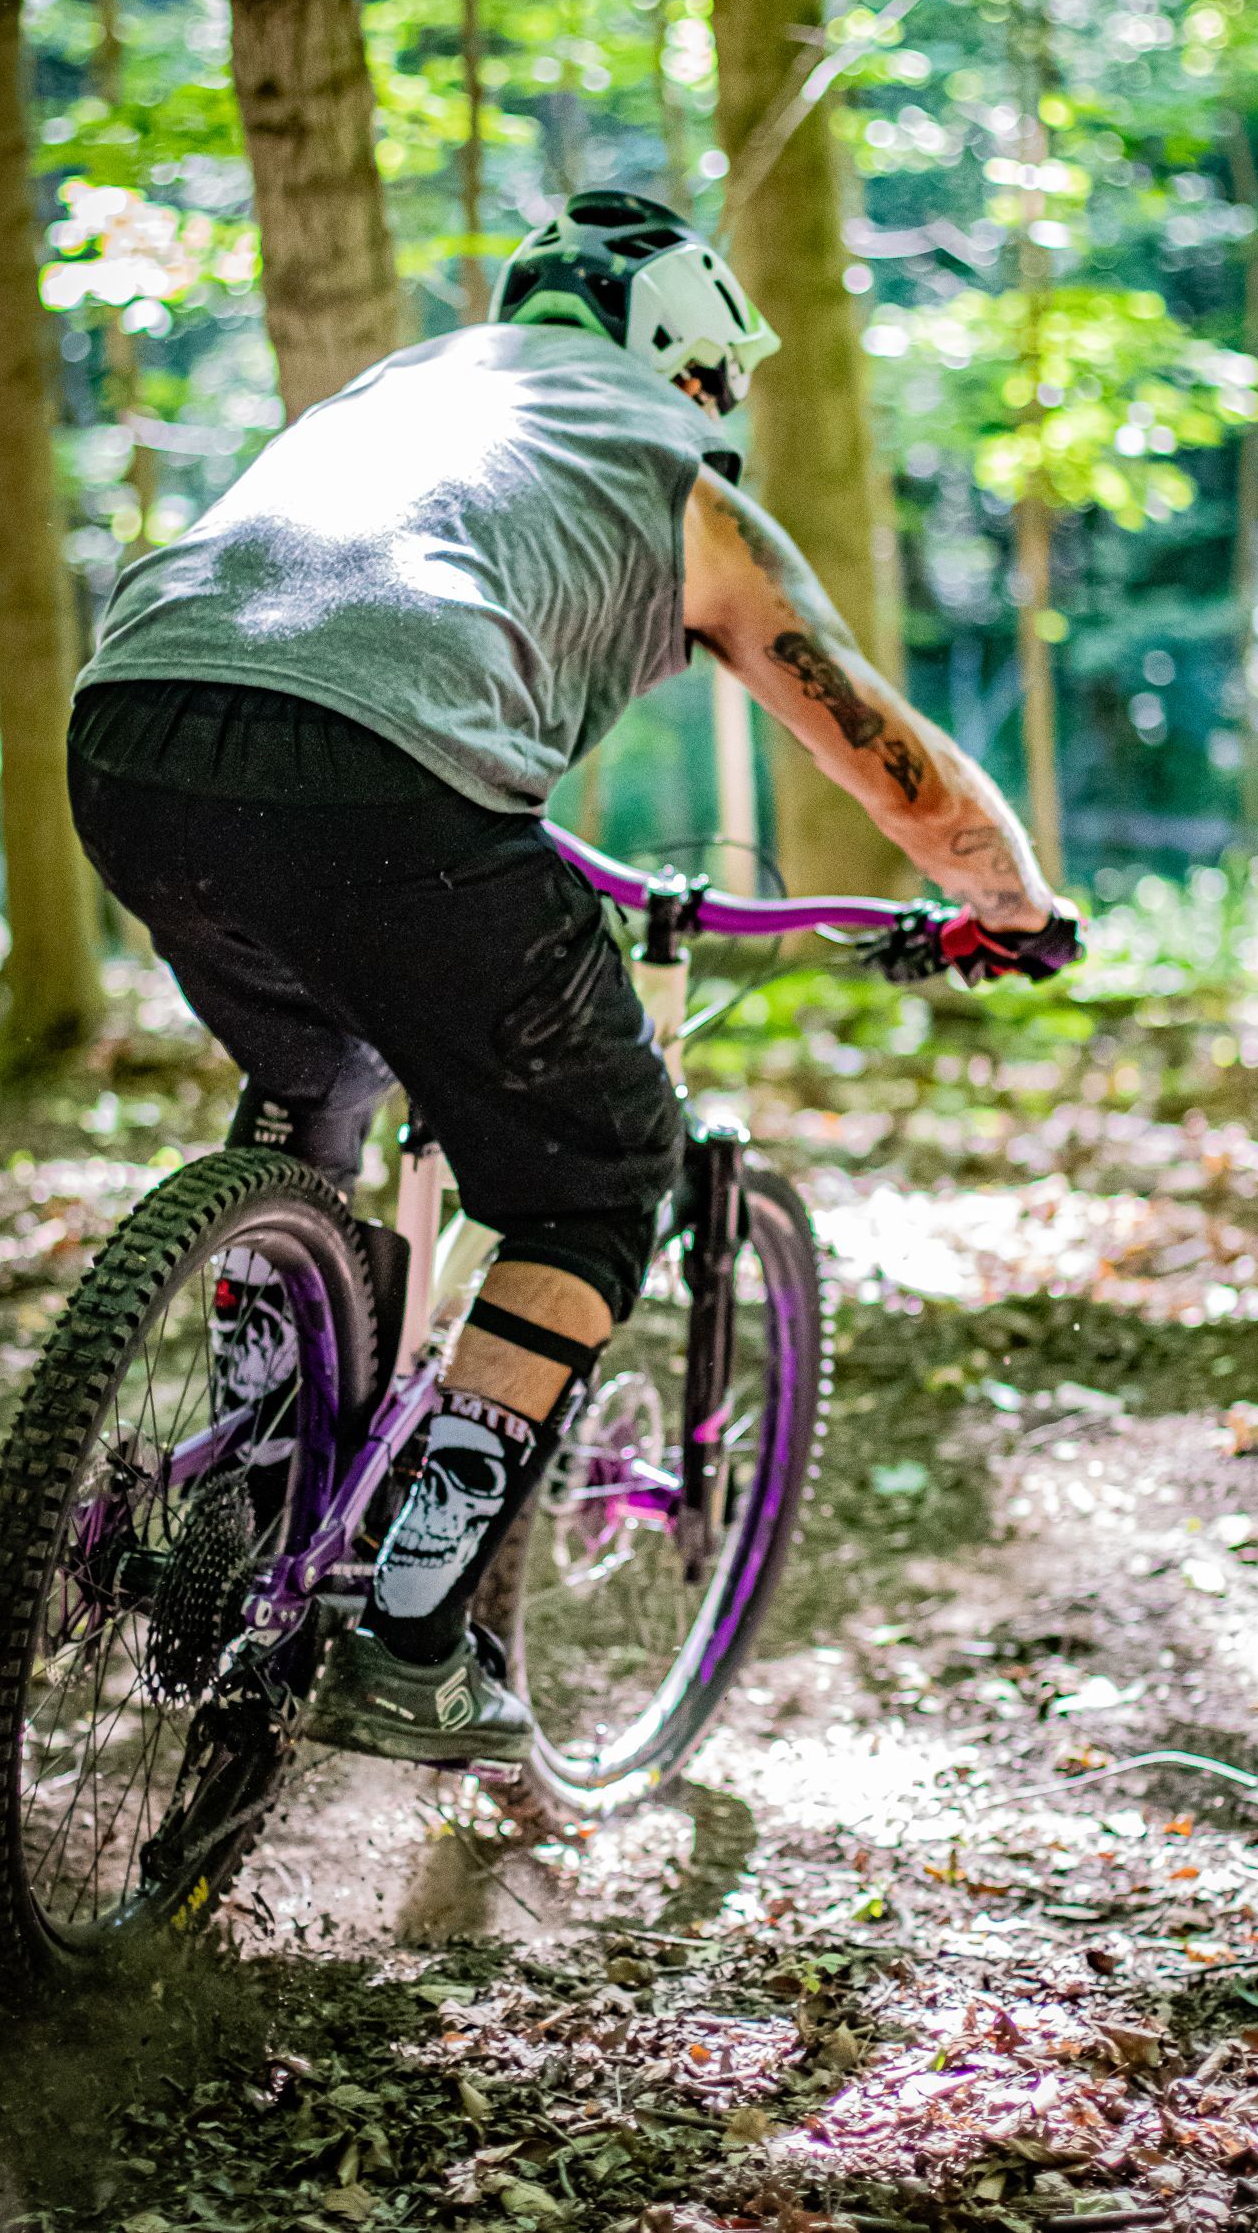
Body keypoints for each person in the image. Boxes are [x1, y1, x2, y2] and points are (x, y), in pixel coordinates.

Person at [68, 190, 1080, 1764]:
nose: (720, 405)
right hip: (390, 776)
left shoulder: (398, 392)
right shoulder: (675, 474)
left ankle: (247, 1511)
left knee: (316, 1084)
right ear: (681, 349)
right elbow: (884, 757)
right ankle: (410, 1635)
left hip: (129, 731)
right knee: (598, 1182)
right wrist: (1011, 901)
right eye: (720, 376)